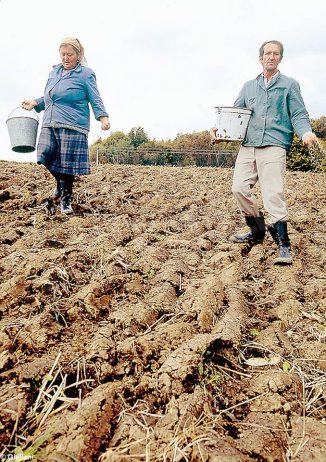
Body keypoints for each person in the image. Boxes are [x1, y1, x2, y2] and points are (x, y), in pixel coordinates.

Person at [210, 40, 318, 265]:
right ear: (260, 58)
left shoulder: (289, 85)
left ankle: (283, 246)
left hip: (274, 144)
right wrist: (220, 132)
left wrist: (306, 133)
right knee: (238, 188)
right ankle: (257, 231)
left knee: (273, 194)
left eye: (275, 54)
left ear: (280, 58)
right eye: (267, 53)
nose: (271, 57)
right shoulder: (249, 86)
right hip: (248, 145)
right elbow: (236, 114)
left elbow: (298, 113)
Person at [22, 37, 110, 214]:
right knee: (43, 154)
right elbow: (49, 96)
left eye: (69, 54)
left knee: (66, 164)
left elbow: (95, 97)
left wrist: (103, 117)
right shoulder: (53, 73)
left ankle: (66, 198)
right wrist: (35, 103)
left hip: (73, 123)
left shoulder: (85, 74)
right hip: (50, 121)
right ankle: (60, 185)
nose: (65, 58)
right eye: (62, 54)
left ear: (78, 55)